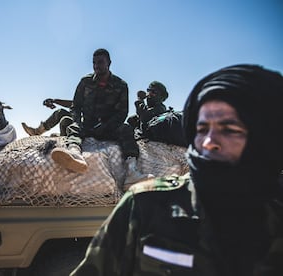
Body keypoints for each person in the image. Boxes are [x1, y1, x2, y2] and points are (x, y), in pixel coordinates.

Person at [70, 64, 283, 276]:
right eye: (201, 129)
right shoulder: (146, 204)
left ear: (266, 138)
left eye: (230, 129)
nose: (209, 142)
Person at [51, 48, 148, 185]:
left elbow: (122, 113)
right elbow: (76, 106)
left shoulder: (121, 85)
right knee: (73, 126)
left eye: (100, 62)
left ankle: (131, 171)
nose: (96, 66)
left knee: (126, 128)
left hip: (109, 128)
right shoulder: (85, 82)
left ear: (109, 63)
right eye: (94, 63)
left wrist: (106, 126)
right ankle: (75, 154)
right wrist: (78, 121)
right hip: (88, 125)